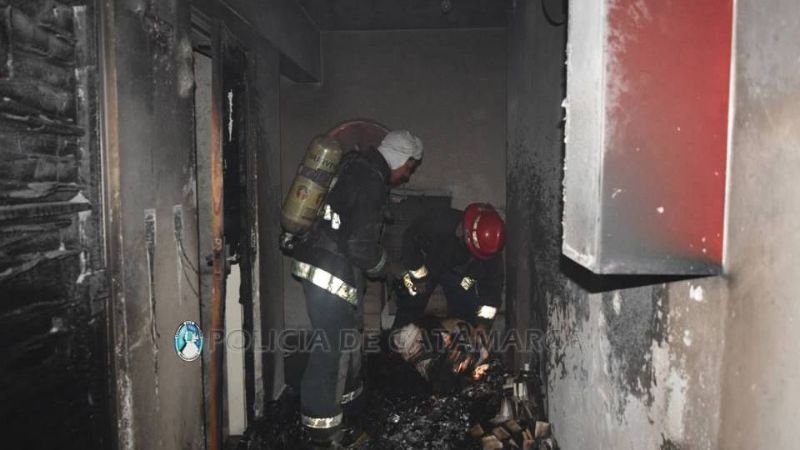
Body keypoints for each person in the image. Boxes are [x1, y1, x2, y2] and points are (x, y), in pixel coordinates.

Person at [290, 129, 423, 449]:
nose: (406, 176)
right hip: (329, 272)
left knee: (346, 341)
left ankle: (347, 408)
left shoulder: (357, 166)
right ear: (401, 159)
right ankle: (321, 430)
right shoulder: (370, 182)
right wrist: (388, 269)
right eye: (409, 168)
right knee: (331, 347)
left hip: (326, 267)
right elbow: (361, 247)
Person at [393, 204, 506, 334]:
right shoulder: (439, 221)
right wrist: (417, 274)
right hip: (427, 266)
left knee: (466, 310)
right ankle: (398, 342)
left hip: (462, 278)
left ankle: (458, 343)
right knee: (412, 297)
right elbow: (410, 239)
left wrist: (483, 325)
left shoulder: (491, 252)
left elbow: (491, 295)